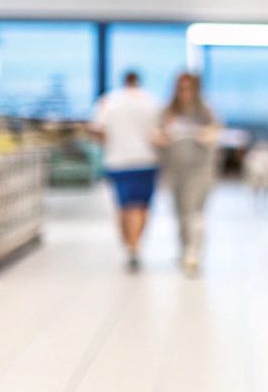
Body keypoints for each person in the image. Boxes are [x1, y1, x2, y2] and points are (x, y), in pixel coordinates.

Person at [89, 70, 161, 270]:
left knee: (124, 206)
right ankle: (135, 245)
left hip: (117, 161)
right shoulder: (152, 101)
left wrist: (109, 145)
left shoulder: (109, 101)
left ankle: (130, 246)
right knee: (142, 207)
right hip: (147, 160)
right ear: (139, 81)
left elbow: (98, 131)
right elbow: (160, 133)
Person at [159, 72, 219, 275]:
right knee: (180, 213)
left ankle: (194, 253)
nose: (185, 93)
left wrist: (205, 134)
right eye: (181, 88)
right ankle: (185, 248)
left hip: (199, 169)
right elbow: (158, 135)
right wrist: (164, 137)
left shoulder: (205, 111)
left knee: (195, 212)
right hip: (175, 169)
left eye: (188, 88)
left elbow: (215, 131)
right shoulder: (167, 111)